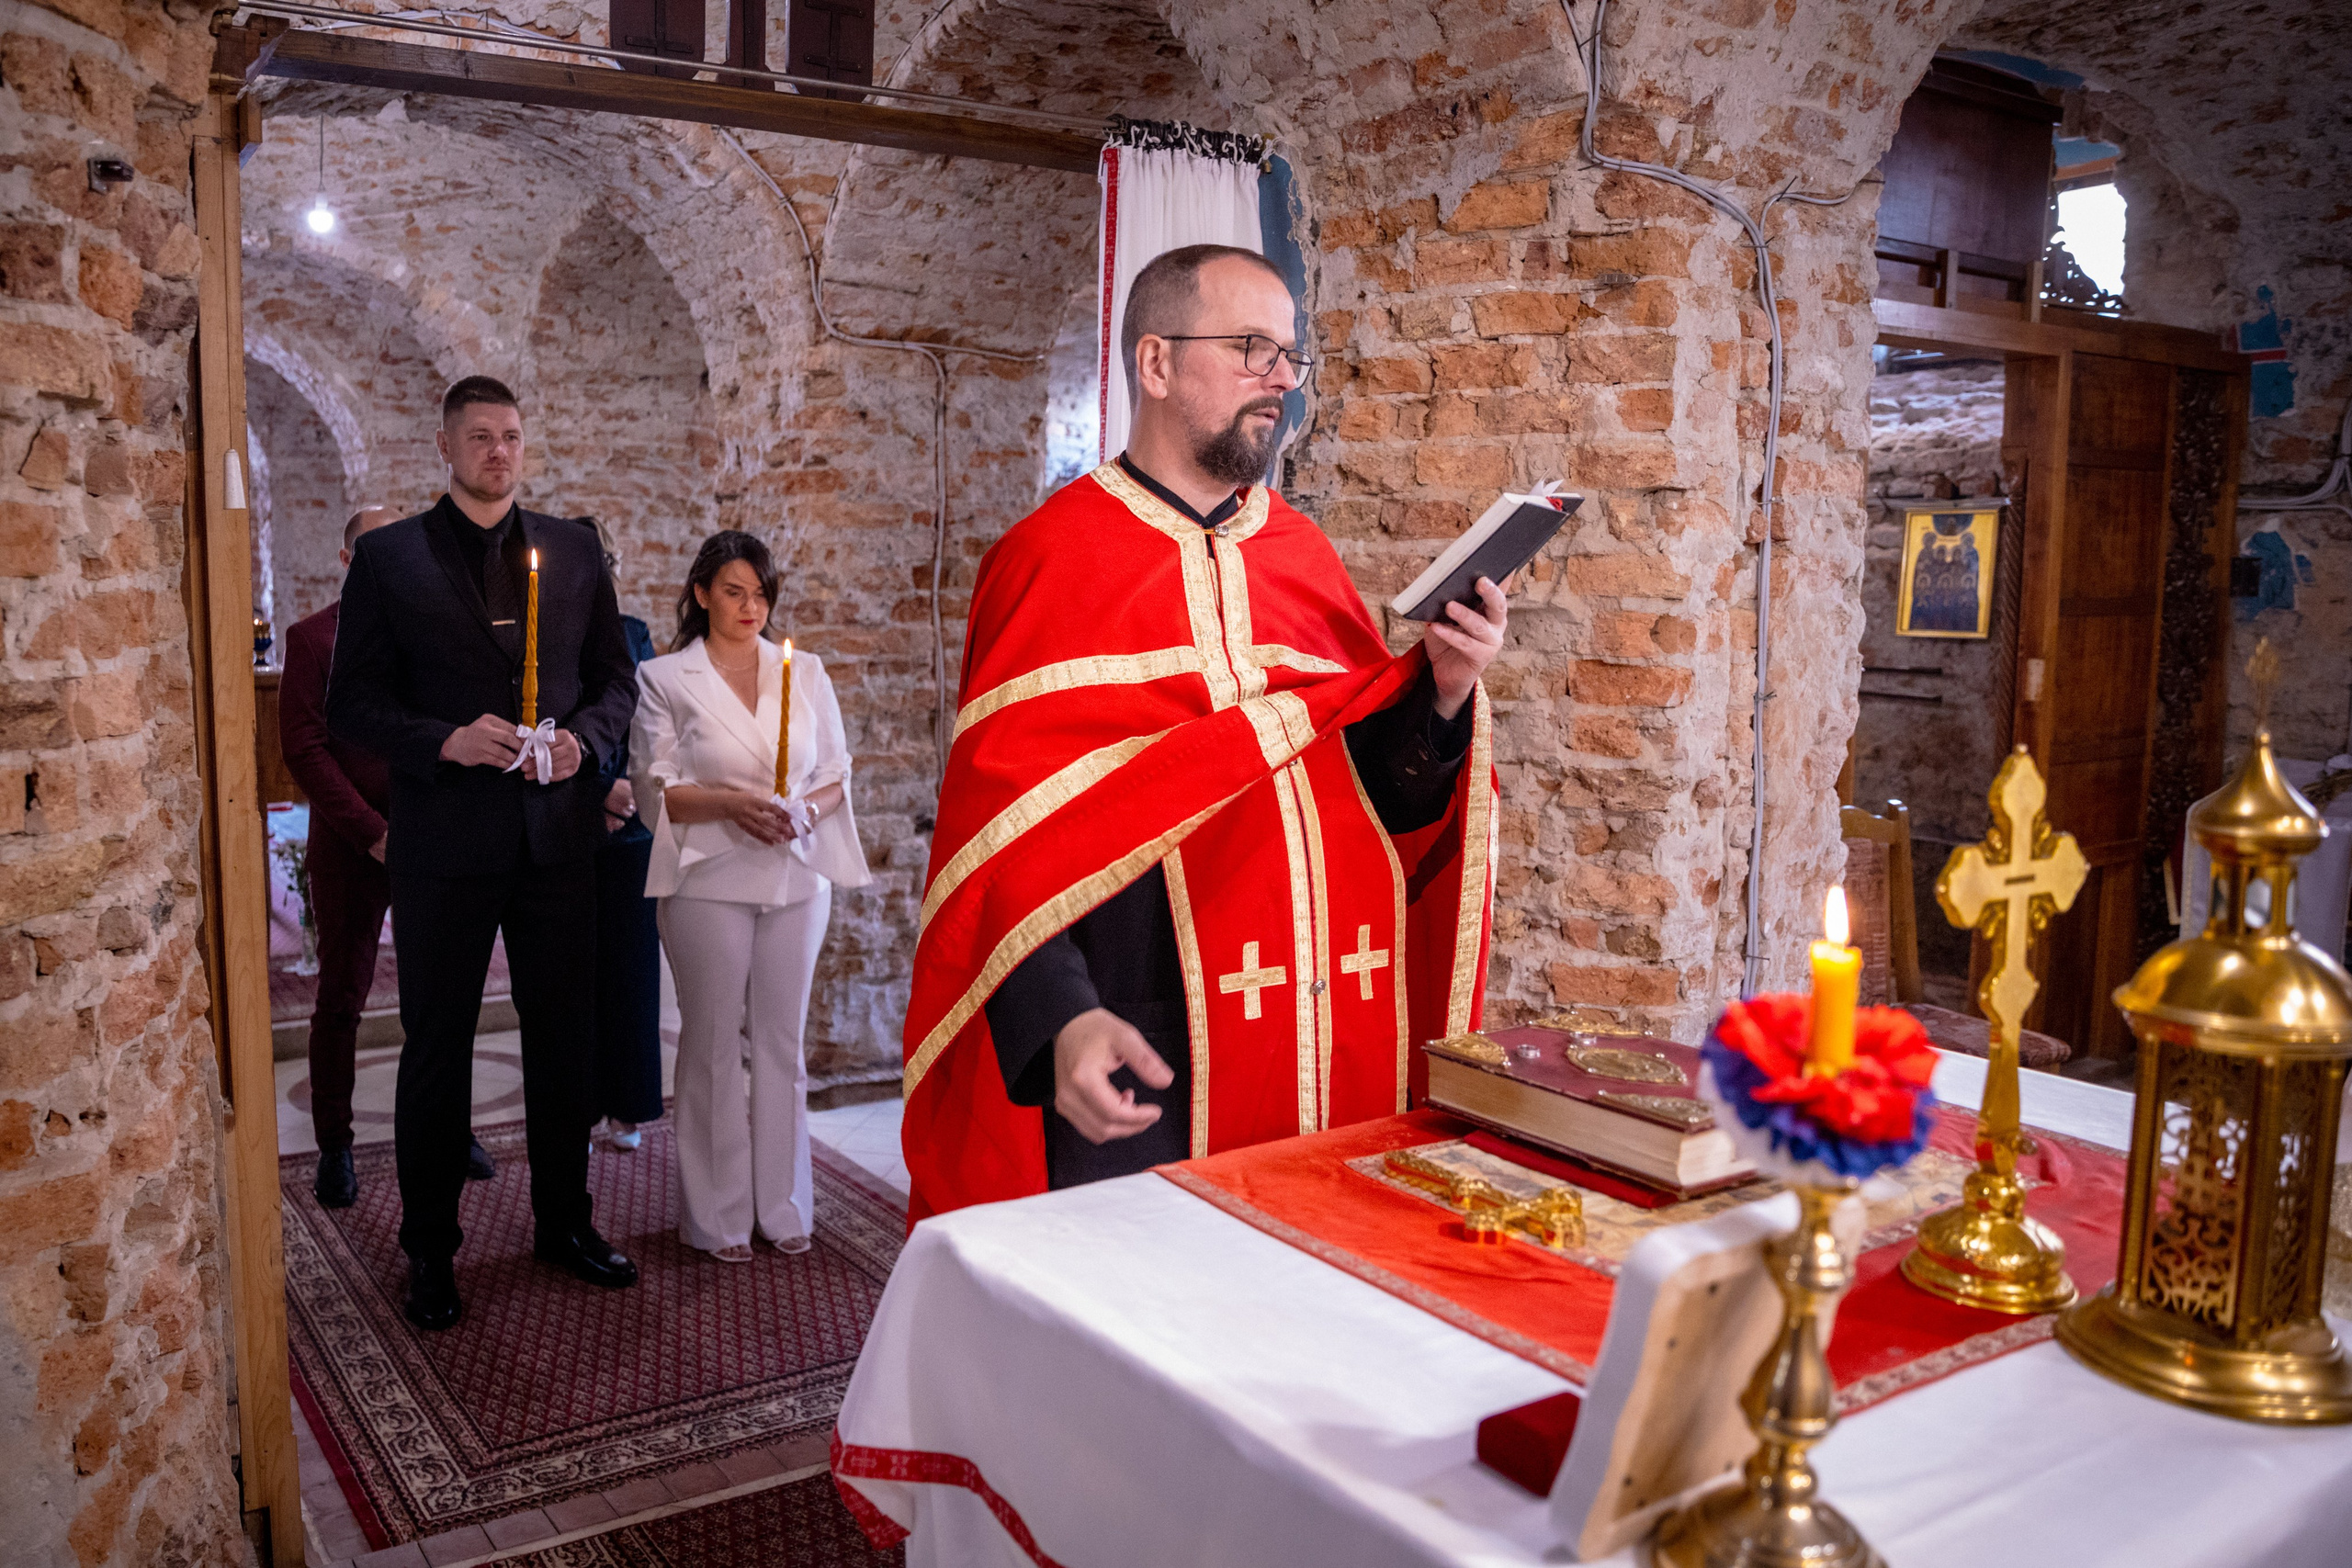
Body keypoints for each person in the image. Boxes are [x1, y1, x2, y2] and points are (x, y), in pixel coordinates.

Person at [901, 244, 1508, 1220]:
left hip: (1326, 1041)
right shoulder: (1048, 560)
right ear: (1154, 364)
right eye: (1249, 348)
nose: (1280, 380)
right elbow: (1006, 845)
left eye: (1288, 356)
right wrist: (1059, 1023)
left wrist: (1442, 694)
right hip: (1144, 1044)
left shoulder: (1303, 558)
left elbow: (1380, 808)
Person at [327, 376, 641, 1330]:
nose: (498, 452)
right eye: (479, 437)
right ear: (446, 446)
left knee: (563, 1041)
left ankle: (564, 1222)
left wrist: (584, 741)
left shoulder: (574, 548)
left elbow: (615, 682)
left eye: (510, 436)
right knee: (436, 1051)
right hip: (445, 841)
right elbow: (352, 705)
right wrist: (443, 740)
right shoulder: (389, 559)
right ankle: (430, 1250)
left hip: (554, 837)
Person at [630, 531, 871, 1261]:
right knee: (708, 1045)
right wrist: (734, 805)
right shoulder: (666, 677)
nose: (750, 606)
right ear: (701, 593)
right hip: (709, 878)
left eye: (761, 593)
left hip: (796, 875)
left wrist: (809, 809)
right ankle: (717, 1215)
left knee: (780, 1044)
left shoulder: (805, 669)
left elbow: (835, 771)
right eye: (734, 591)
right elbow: (655, 786)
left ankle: (784, 1203)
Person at [585, 518, 663, 1151]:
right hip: (570, 825)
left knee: (633, 974)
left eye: (603, 559)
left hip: (632, 826)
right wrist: (594, 790)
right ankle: (579, 1105)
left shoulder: (634, 634)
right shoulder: (544, 634)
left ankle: (629, 1107)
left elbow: (653, 724)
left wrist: (631, 790)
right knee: (573, 977)